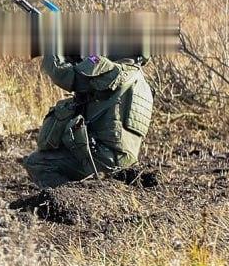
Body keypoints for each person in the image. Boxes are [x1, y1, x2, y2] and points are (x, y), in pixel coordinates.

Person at [21, 53, 153, 188]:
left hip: (104, 159)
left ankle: (70, 200)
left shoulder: (114, 71)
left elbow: (63, 74)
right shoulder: (140, 82)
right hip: (125, 161)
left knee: (36, 163)